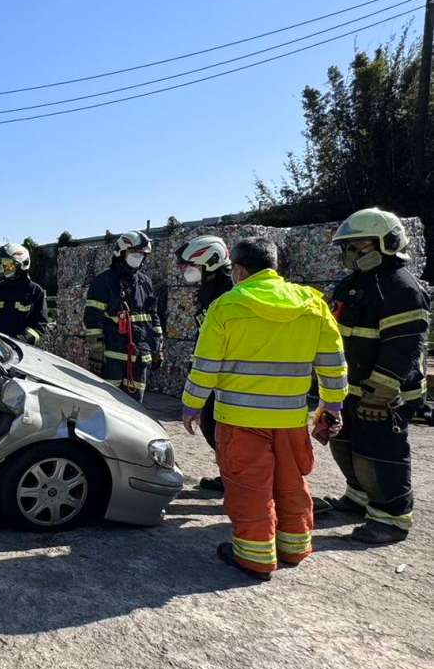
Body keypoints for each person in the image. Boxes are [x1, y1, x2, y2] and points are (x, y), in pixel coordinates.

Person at [182, 238, 347, 580]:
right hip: (290, 420)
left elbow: (206, 365)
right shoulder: (313, 304)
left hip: (239, 420)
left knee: (249, 488)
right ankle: (296, 546)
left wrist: (192, 405)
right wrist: (332, 406)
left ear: (239, 270)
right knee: (291, 482)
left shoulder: (227, 306)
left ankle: (255, 557)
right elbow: (333, 364)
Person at [316, 209, 429, 544]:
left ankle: (392, 519)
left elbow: (403, 348)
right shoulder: (352, 285)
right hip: (350, 389)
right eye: (348, 247)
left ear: (388, 242)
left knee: (379, 455)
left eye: (359, 246)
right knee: (345, 446)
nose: (351, 254)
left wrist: (380, 392)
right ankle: (359, 498)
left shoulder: (401, 289)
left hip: (386, 394)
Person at [175, 235, 235, 491]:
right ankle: (230, 475)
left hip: (228, 374)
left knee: (222, 429)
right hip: (213, 370)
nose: (186, 271)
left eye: (190, 265)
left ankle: (239, 479)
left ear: (208, 261)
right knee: (212, 427)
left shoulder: (227, 290)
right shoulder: (210, 287)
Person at [83, 231, 163, 401]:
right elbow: (93, 319)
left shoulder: (145, 282)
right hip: (113, 357)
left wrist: (157, 348)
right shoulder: (104, 281)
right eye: (134, 253)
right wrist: (97, 352)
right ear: (120, 252)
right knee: (108, 405)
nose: (138, 257)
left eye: (142, 254)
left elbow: (153, 317)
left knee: (135, 408)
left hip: (141, 357)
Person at [0, 243, 46, 345]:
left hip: (22, 351)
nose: (3, 267)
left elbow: (40, 326)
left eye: (7, 263)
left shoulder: (36, 292)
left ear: (22, 263)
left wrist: (22, 340)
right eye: (1, 263)